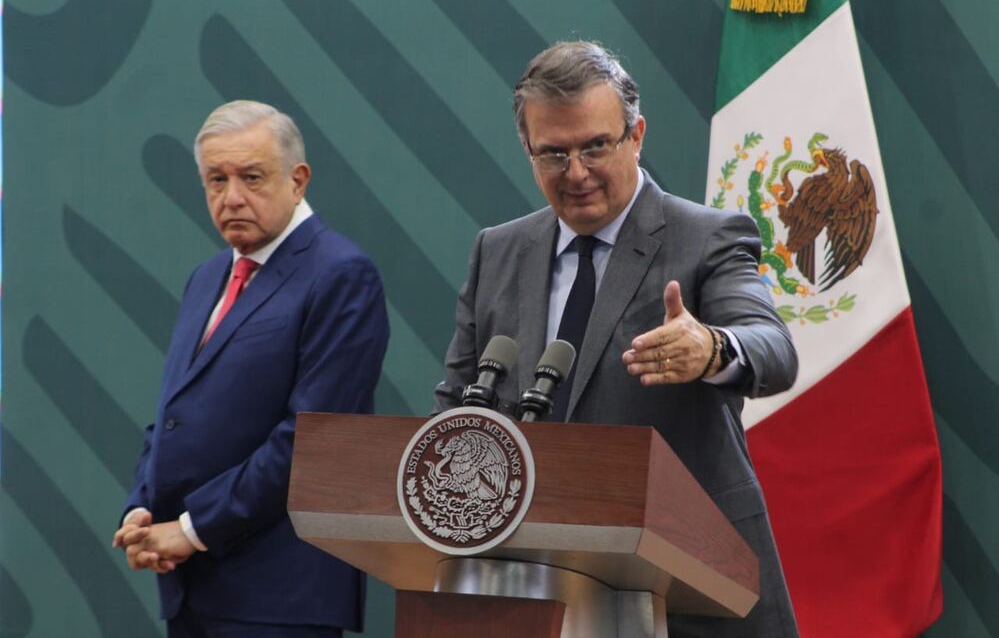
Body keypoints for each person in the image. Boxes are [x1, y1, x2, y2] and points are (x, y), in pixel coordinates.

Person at [434, 41, 799, 636]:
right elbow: (457, 403)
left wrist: (711, 348)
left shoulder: (707, 238)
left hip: (687, 584)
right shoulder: (496, 251)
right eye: (553, 154)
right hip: (529, 584)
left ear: (637, 135)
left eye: (595, 146)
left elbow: (774, 350)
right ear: (527, 151)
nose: (575, 173)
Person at [112, 100, 389, 637]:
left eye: (252, 177)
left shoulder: (341, 275)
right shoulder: (207, 276)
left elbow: (311, 440)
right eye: (216, 180)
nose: (231, 197)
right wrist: (140, 512)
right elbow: (173, 413)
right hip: (191, 589)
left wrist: (191, 530)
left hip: (279, 600)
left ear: (298, 179)